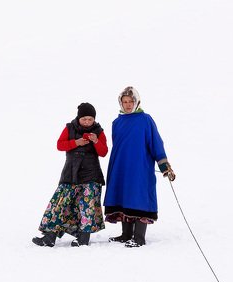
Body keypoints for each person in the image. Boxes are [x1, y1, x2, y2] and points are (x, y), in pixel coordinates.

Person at [103, 86, 176, 248]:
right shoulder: (117, 122)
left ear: (137, 102)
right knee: (123, 196)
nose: (128, 105)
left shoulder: (145, 119)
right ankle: (126, 234)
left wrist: (164, 166)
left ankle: (139, 237)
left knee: (138, 197)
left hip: (139, 168)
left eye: (131, 101)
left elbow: (156, 143)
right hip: (120, 167)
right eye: (125, 102)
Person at [32, 102, 108, 247]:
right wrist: (75, 142)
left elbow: (103, 152)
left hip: (91, 175)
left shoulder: (99, 131)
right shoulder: (69, 128)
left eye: (90, 119)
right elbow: (60, 145)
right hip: (70, 173)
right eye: (84, 119)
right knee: (58, 204)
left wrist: (96, 141)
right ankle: (49, 237)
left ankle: (83, 238)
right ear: (78, 118)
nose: (87, 122)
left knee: (88, 206)